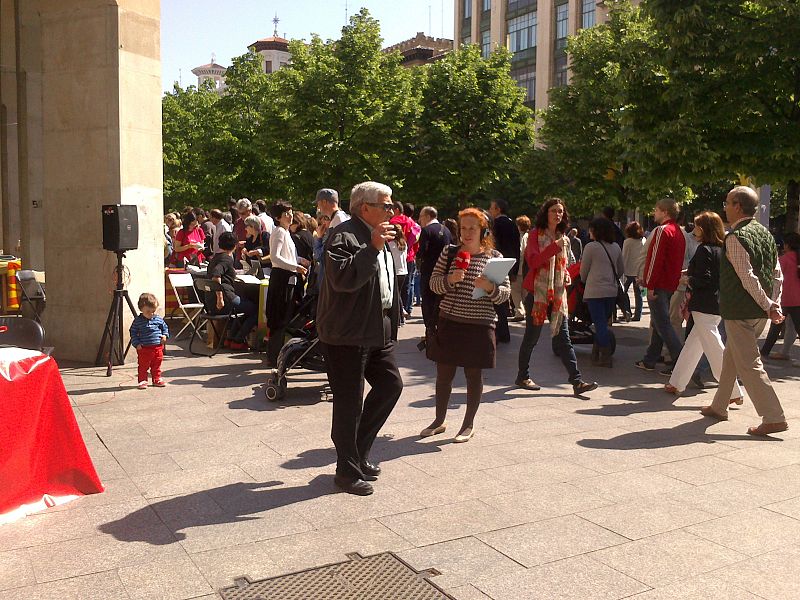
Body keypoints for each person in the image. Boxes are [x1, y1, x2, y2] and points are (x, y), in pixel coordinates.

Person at [317, 181, 403, 496]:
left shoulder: (379, 236)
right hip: (345, 333)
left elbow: (387, 282)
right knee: (349, 403)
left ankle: (358, 453)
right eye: (386, 204)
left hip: (376, 330)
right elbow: (342, 279)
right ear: (365, 207)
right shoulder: (344, 235)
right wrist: (373, 248)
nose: (392, 210)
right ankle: (346, 472)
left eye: (392, 205)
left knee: (391, 385)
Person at [700, 186, 788, 436]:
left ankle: (773, 416)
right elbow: (776, 274)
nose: (724, 206)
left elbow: (747, 277)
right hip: (758, 312)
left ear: (738, 206)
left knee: (749, 364)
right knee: (732, 356)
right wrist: (773, 303)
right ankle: (719, 406)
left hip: (741, 310)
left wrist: (769, 304)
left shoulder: (736, 236)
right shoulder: (765, 234)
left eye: (727, 202)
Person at [423, 208, 511, 443]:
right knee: (443, 376)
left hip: (479, 325)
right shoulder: (450, 253)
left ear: (483, 230)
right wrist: (450, 280)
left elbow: (505, 294)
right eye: (463, 228)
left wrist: (491, 288)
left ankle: (468, 424)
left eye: (473, 227)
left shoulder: (495, 257)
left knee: (473, 376)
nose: (467, 232)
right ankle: (439, 420)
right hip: (449, 322)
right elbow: (433, 285)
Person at [516, 198, 598, 396]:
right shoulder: (535, 235)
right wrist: (555, 247)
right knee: (531, 338)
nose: (558, 214)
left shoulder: (564, 237)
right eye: (554, 211)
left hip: (558, 294)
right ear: (546, 213)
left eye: (560, 211)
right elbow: (534, 261)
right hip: (538, 294)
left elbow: (566, 263)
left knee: (565, 339)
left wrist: (566, 273)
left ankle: (577, 382)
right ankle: (522, 376)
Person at [665, 212, 744, 402]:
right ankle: (676, 382)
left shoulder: (704, 249)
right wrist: (691, 272)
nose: (695, 229)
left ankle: (733, 391)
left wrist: (687, 278)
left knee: (714, 347)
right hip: (717, 302)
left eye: (698, 225)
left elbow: (704, 279)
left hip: (704, 303)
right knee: (694, 344)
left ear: (705, 228)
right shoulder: (722, 249)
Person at [635, 198, 686, 371]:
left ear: (664, 212)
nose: (653, 213)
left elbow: (655, 260)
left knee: (662, 324)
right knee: (659, 323)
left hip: (659, 284)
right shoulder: (678, 231)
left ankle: (680, 359)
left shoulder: (662, 231)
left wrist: (649, 284)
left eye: (656, 210)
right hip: (670, 283)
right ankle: (650, 359)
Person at [266, 201, 307, 364]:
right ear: (278, 217)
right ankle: (274, 356)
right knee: (279, 318)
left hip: (287, 277)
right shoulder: (279, 232)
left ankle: (277, 354)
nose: (290, 216)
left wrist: (300, 261)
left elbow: (287, 255)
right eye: (286, 214)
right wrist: (295, 266)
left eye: (291, 212)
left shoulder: (285, 232)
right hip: (282, 278)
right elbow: (275, 257)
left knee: (285, 317)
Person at [580, 217, 625, 368]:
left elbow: (583, 273)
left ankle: (605, 356)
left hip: (594, 291)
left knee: (599, 325)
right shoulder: (616, 247)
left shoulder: (590, 247)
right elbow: (620, 271)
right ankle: (596, 352)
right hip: (611, 291)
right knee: (602, 323)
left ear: (595, 231)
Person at [206, 232, 259, 350]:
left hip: (210, 301)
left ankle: (231, 339)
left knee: (244, 309)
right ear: (234, 245)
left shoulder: (216, 257)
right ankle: (238, 340)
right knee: (255, 310)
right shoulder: (226, 259)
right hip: (224, 300)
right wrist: (220, 299)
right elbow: (216, 275)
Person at [760, 232, 800, 358]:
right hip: (798, 299)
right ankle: (780, 352)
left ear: (787, 245)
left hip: (785, 299)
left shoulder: (783, 259)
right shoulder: (796, 258)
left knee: (775, 327)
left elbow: (773, 276)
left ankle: (764, 353)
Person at [417, 206, 452, 335]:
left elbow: (422, 251)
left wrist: (419, 258)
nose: (419, 220)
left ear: (427, 216)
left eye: (421, 216)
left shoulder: (426, 231)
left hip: (429, 271)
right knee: (440, 301)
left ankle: (430, 330)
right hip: (445, 272)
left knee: (427, 301)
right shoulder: (447, 230)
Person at [488, 199, 518, 343]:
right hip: (509, 264)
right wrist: (514, 269)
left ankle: (499, 332)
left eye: (492, 208)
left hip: (496, 263)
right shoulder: (512, 224)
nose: (490, 210)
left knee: (495, 298)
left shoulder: (495, 224)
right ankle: (504, 332)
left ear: (498, 209)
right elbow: (516, 247)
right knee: (502, 300)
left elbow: (493, 244)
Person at [130, 293, 169, 390]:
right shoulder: (138, 321)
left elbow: (165, 328)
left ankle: (157, 378)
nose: (151, 314)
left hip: (157, 347)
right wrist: (136, 343)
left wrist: (164, 335)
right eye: (148, 311)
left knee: (157, 365)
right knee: (143, 366)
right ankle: (143, 380)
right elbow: (133, 332)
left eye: (153, 311)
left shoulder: (158, 319)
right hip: (144, 349)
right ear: (141, 309)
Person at [389, 202, 420, 318]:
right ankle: (408, 308)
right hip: (409, 255)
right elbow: (417, 240)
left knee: (395, 289)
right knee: (409, 284)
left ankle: (398, 312)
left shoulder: (392, 222)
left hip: (396, 259)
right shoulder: (412, 223)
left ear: (396, 210)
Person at [622, 221, 646, 321]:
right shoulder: (643, 240)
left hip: (628, 270)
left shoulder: (627, 242)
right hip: (639, 271)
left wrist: (621, 269)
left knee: (623, 292)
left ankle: (626, 311)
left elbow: (624, 256)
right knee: (638, 294)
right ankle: (638, 315)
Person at [510, 215, 531, 321]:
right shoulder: (530, 236)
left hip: (519, 269)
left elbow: (520, 253)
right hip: (527, 270)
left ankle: (520, 312)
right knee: (524, 292)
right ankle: (523, 311)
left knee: (515, 291)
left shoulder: (519, 237)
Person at [388, 223, 408, 325]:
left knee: (396, 294)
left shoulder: (391, 245)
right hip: (403, 271)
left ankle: (400, 316)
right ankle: (401, 314)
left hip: (395, 271)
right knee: (399, 293)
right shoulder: (404, 244)